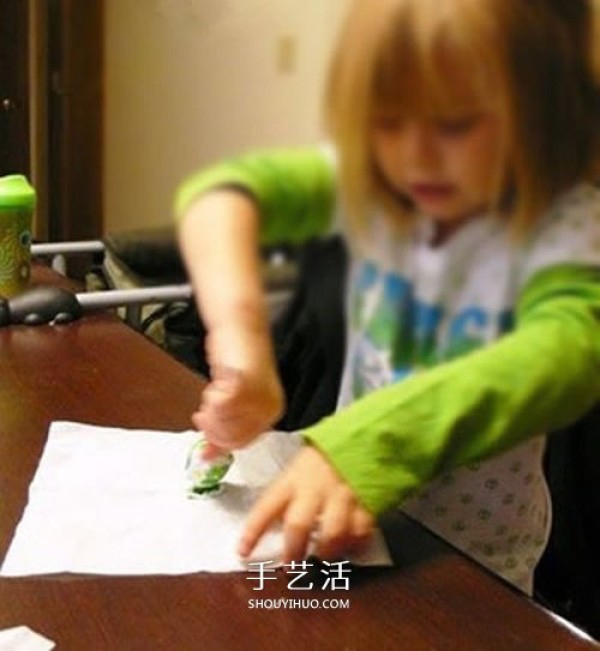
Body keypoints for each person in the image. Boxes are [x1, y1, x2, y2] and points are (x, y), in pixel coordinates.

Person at [174, 0, 600, 594]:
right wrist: (242, 342)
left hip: (472, 577)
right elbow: (220, 197)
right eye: (385, 121)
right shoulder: (379, 183)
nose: (414, 156)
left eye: (455, 124)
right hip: (355, 537)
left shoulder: (561, 226)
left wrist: (371, 446)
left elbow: (567, 356)